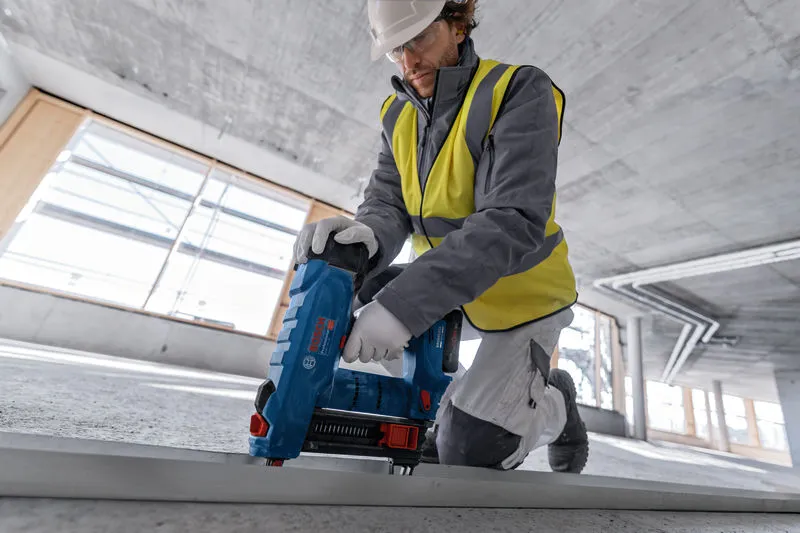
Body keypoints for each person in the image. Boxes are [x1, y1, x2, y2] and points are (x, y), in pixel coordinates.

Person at [294, 0, 588, 473]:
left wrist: (402, 309)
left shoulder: (516, 89)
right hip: (451, 284)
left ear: (456, 24)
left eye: (419, 39)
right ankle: (457, 405)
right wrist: (362, 236)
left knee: (472, 451)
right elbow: (387, 204)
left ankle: (556, 405)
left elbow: (513, 220)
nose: (408, 62)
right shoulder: (397, 113)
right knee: (353, 285)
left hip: (524, 290)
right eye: (395, 50)